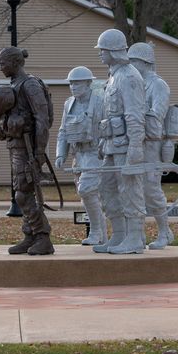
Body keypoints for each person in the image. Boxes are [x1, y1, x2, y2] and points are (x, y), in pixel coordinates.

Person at [0, 46, 54, 255]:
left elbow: (42, 118)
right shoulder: (14, 85)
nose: (1, 67)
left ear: (15, 62)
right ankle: (30, 236)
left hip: (28, 148)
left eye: (3, 63)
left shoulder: (30, 85)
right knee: (24, 190)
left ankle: (42, 235)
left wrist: (39, 151)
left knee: (22, 194)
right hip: (15, 145)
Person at [92, 28, 147, 254]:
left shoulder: (130, 76)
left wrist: (135, 147)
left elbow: (134, 115)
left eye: (103, 50)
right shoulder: (113, 76)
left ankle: (135, 238)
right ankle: (119, 235)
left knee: (130, 191)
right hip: (111, 146)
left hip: (126, 146)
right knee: (106, 188)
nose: (100, 54)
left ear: (114, 51)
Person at [54, 66, 108, 245]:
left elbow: (109, 128)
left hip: (96, 153)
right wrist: (60, 154)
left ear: (88, 83)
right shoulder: (69, 103)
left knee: (86, 190)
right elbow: (63, 131)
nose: (73, 87)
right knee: (88, 196)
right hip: (79, 155)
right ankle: (102, 235)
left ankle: (95, 232)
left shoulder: (100, 102)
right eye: (71, 83)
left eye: (77, 83)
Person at [127, 42, 173, 249]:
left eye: (134, 61)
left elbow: (157, 114)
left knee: (151, 190)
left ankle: (165, 232)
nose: (131, 65)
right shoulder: (135, 84)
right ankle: (139, 235)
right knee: (134, 190)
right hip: (135, 141)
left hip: (152, 144)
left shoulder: (158, 84)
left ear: (145, 62)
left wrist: (136, 116)